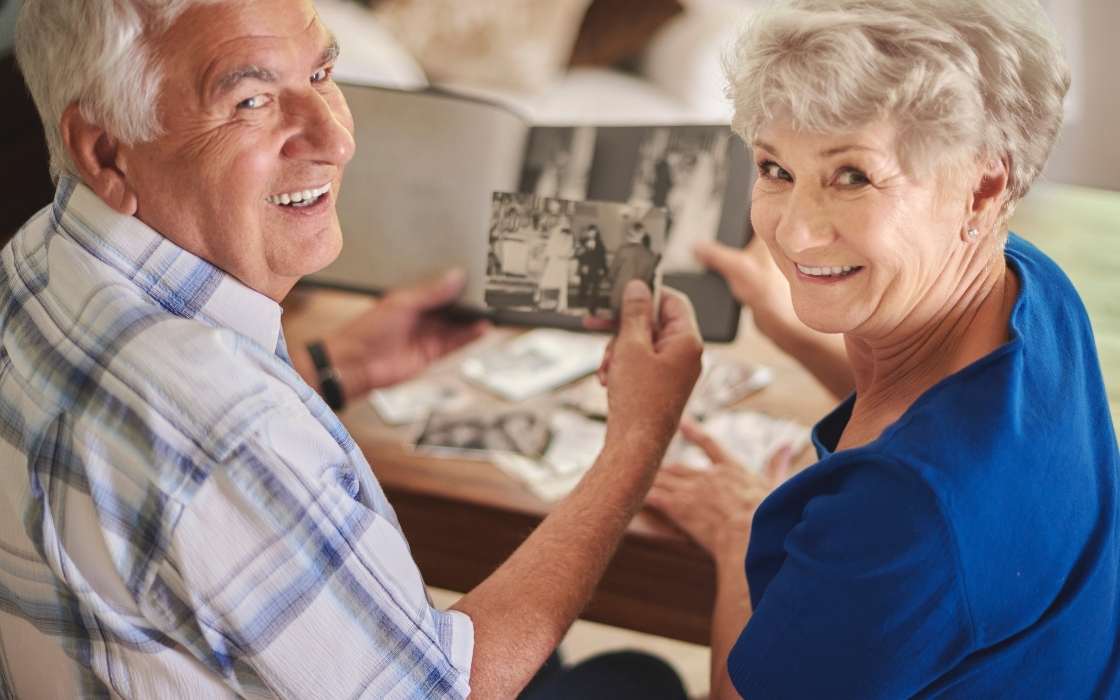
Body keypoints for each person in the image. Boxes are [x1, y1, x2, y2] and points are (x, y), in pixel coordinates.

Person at [0, 1, 704, 697]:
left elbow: (160, 466)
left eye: (323, 72)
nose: (335, 138)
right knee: (638, 681)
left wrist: (337, 368)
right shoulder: (231, 431)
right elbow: (446, 693)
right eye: (251, 99)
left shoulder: (33, 258)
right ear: (104, 150)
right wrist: (637, 439)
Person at [645, 0, 1120, 698]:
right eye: (776, 168)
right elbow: (914, 406)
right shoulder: (1031, 285)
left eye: (853, 176)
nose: (796, 233)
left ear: (983, 189)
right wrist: (786, 327)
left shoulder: (901, 516)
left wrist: (736, 532)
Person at [609, 222, 661, 315]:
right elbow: (648, 279)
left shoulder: (622, 250)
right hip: (637, 297)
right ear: (642, 235)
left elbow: (612, 274)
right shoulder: (650, 255)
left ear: (630, 233)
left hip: (620, 295)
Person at [538, 217, 575, 312]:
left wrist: (565, 253)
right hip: (554, 262)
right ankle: (546, 302)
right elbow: (551, 248)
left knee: (561, 284)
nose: (564, 223)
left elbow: (569, 250)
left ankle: (561, 305)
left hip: (562, 264)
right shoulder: (556, 232)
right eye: (562, 221)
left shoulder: (569, 234)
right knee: (549, 281)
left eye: (566, 221)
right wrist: (552, 254)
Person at [576, 224, 609, 316]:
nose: (592, 233)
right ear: (587, 232)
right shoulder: (582, 241)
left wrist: (603, 269)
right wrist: (585, 248)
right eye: (590, 231)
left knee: (595, 290)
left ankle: (592, 309)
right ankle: (582, 307)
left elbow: (602, 258)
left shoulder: (600, 243)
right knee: (584, 288)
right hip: (585, 268)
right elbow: (578, 255)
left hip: (596, 269)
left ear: (596, 232)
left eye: (594, 231)